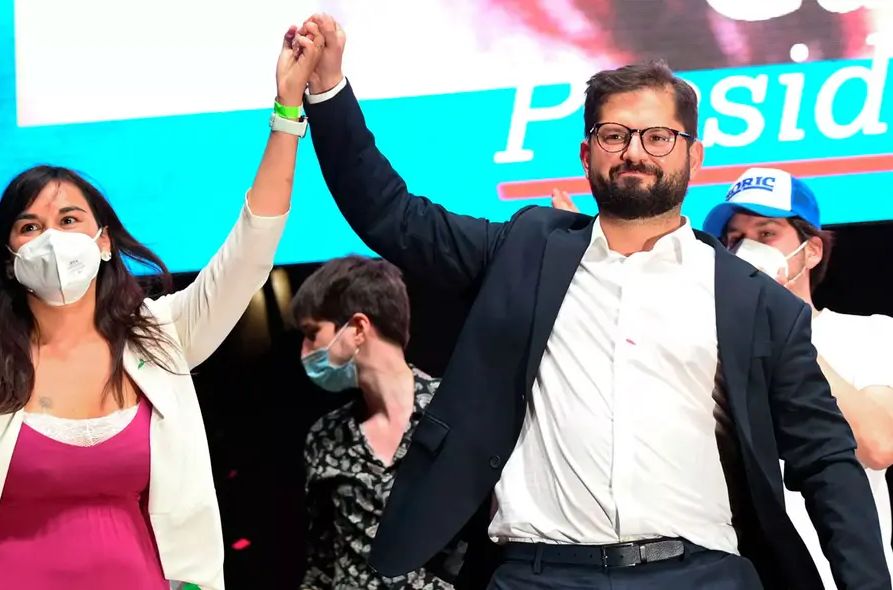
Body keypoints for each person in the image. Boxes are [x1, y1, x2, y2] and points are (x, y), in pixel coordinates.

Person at [295, 13, 890, 590]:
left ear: (694, 155)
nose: (635, 151)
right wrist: (327, 92)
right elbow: (391, 214)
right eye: (615, 135)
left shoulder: (753, 299)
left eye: (659, 136)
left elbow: (826, 462)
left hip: (700, 573)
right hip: (537, 573)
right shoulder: (525, 250)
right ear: (587, 155)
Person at [0, 23, 324, 590]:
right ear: (7, 258)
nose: (52, 238)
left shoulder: (161, 338)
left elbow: (251, 250)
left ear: (102, 242)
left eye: (69, 220)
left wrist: (287, 111)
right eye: (30, 227)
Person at [702, 167, 893, 589]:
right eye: (735, 239)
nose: (746, 249)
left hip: (837, 573)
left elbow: (879, 445)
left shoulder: (871, 332)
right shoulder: (714, 344)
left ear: (811, 252)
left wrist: (780, 330)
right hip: (736, 571)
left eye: (766, 234)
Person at [292, 254, 461, 589]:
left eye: (313, 333)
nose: (304, 351)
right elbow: (322, 560)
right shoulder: (326, 437)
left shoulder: (459, 412)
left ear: (357, 328)